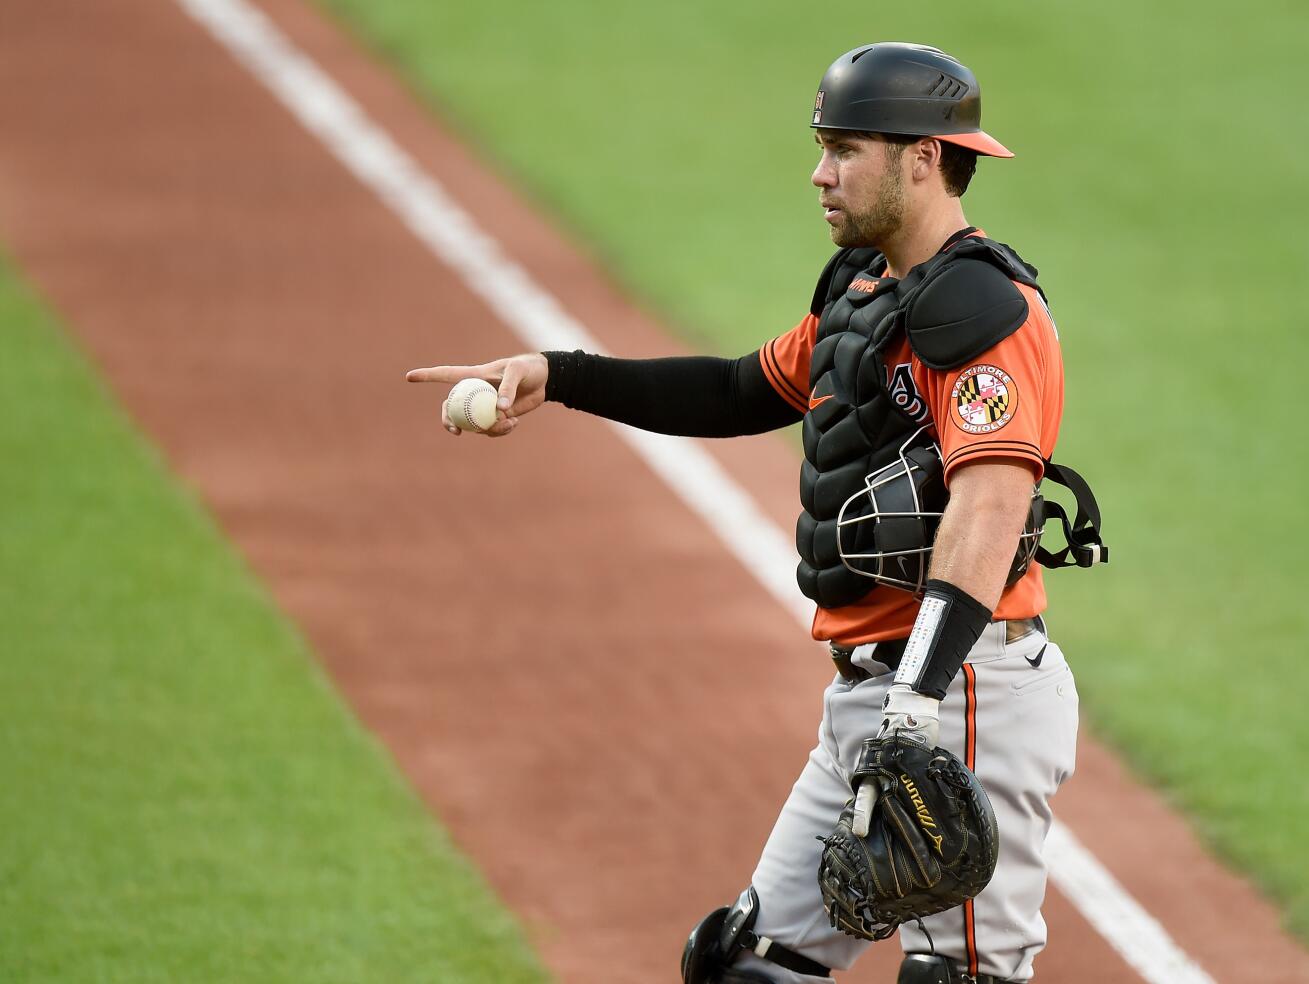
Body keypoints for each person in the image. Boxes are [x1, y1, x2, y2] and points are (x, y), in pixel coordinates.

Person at [408, 41, 1106, 984]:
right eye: (822, 147)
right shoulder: (867, 293)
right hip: (874, 698)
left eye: (846, 149)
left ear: (924, 158)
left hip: (959, 696)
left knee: (960, 978)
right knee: (748, 967)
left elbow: (991, 503)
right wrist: (559, 376)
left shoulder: (985, 312)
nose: (820, 173)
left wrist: (918, 700)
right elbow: (743, 389)